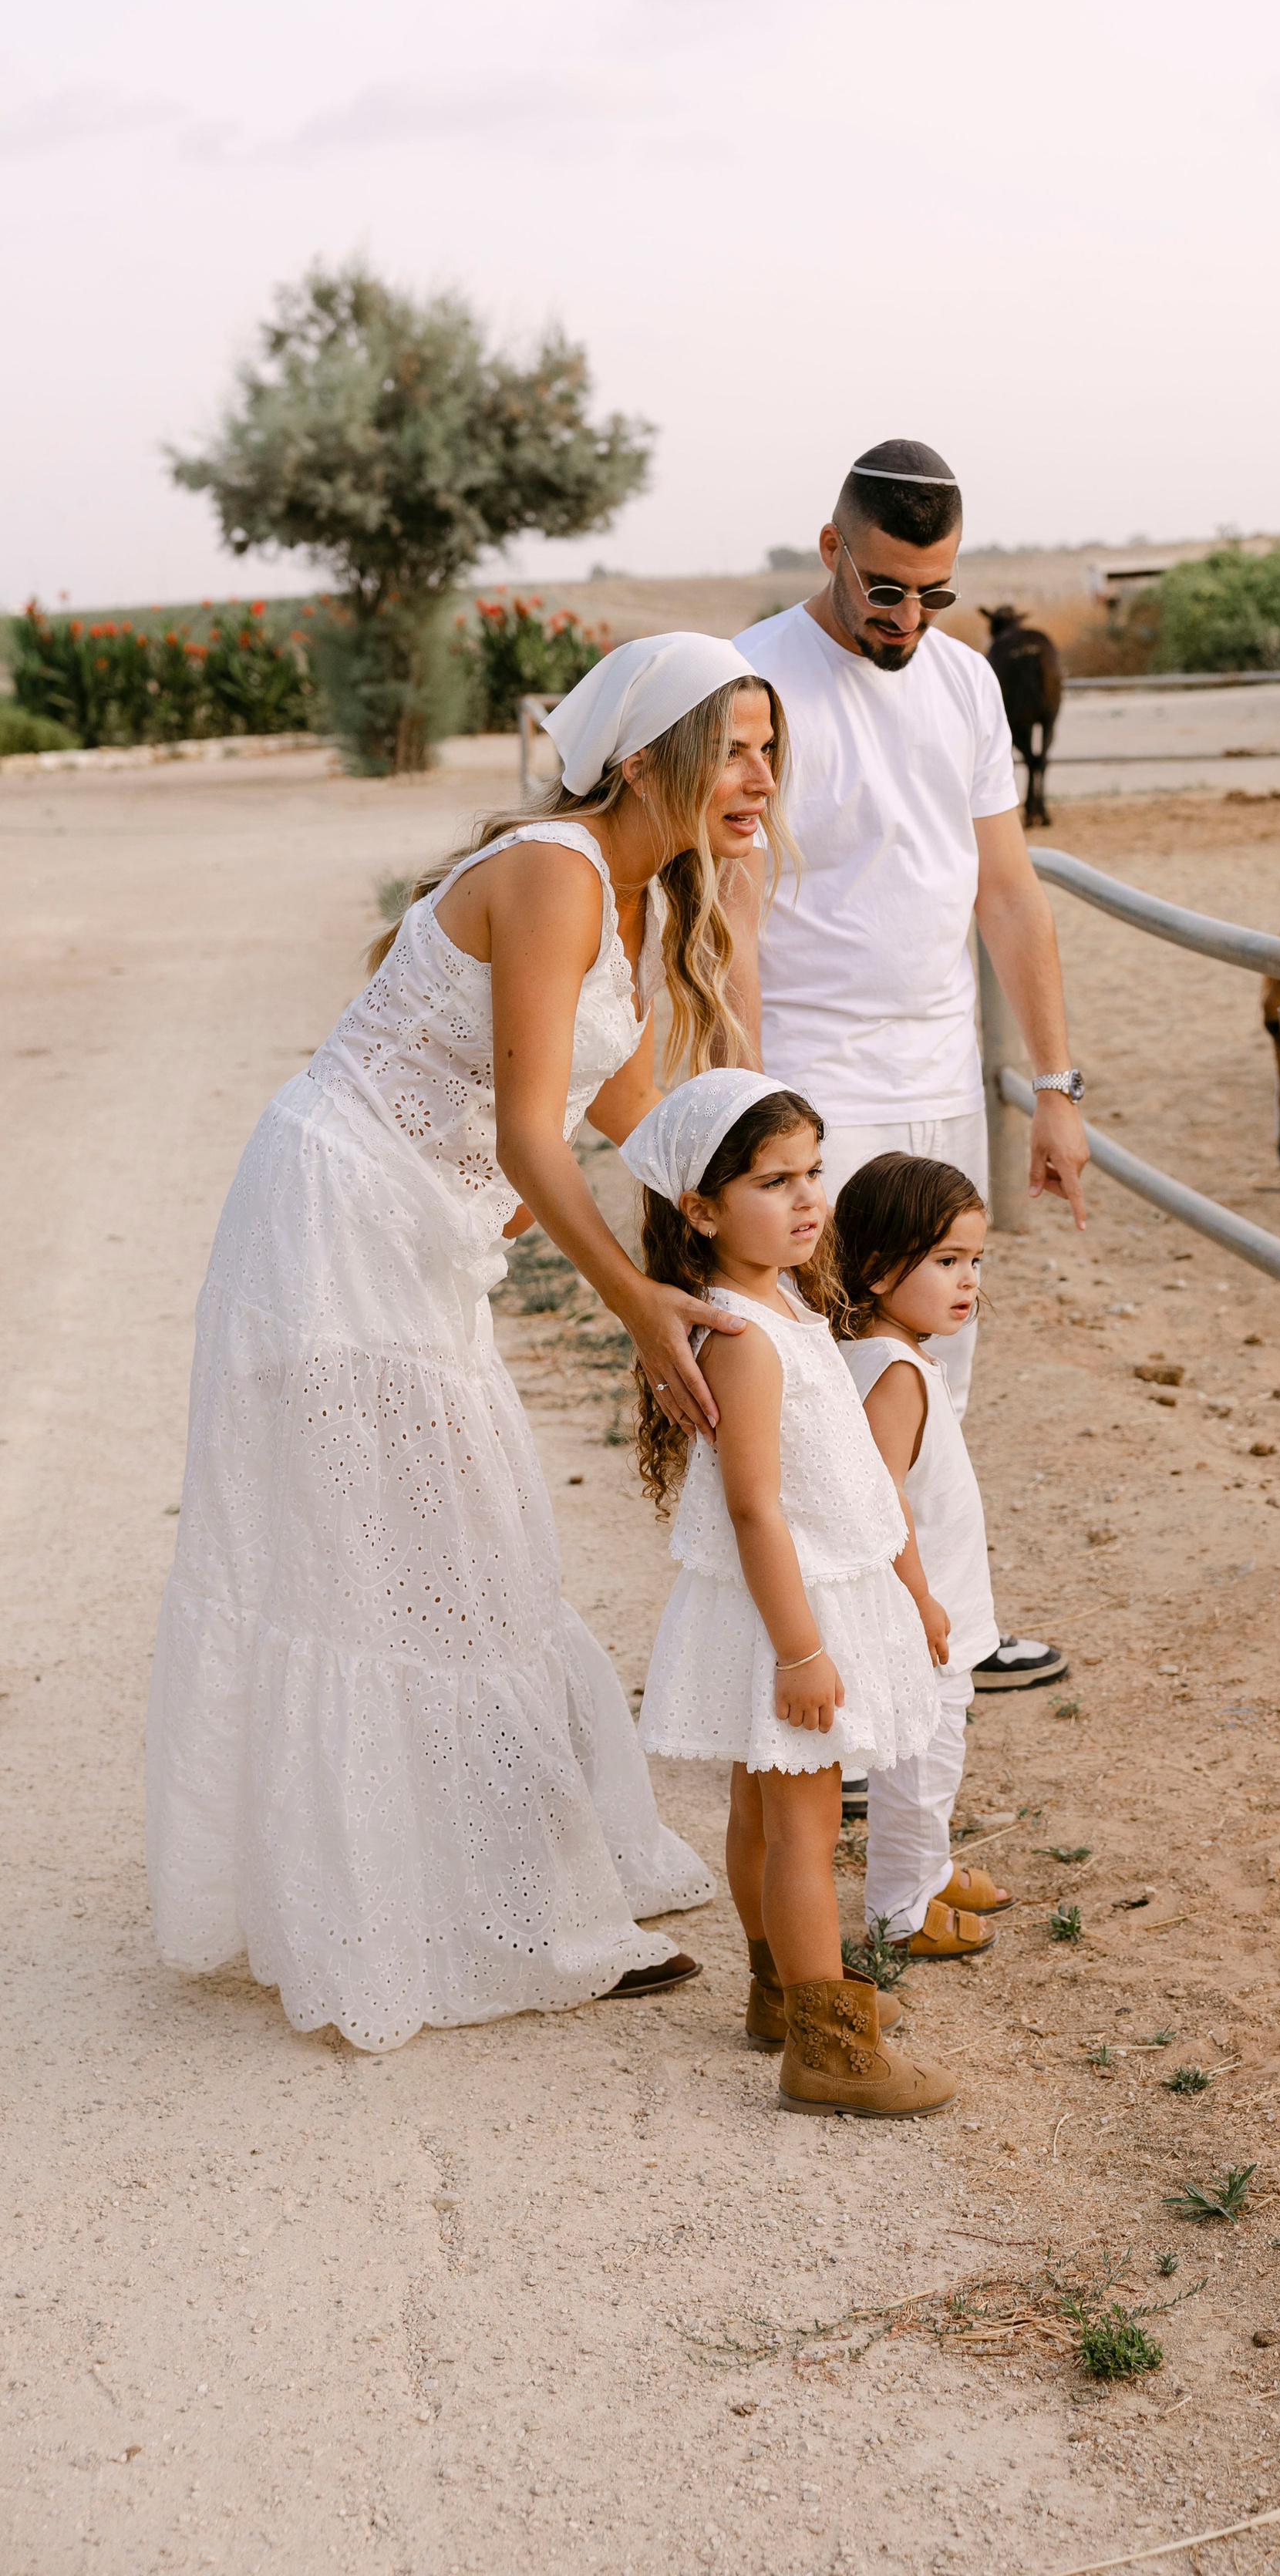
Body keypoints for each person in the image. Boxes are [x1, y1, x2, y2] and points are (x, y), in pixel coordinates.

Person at [145, 634, 784, 2053]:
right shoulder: (558, 873)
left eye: (767, 750)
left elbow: (654, 1131)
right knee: (408, 1560)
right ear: (644, 756)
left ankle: (516, 1889)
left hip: (413, 1248)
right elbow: (521, 1132)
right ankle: (477, 1920)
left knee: (465, 1552)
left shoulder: (621, 901)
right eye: (734, 745)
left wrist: (792, 1214)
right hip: (340, 1226)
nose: (760, 776)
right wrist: (640, 1305)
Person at [739, 436, 1086, 1714]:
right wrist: (751, 1118)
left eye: (933, 593)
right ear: (832, 549)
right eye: (885, 587)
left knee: (940, 1367)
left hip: (942, 1072)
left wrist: (1055, 1087)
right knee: (828, 1393)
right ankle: (833, 1676)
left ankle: (953, 1633)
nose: (906, 617)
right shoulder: (754, 680)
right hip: (814, 1085)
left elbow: (1009, 893)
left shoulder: (967, 685)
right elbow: (725, 914)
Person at [626, 1073, 958, 2120]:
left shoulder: (788, 1303)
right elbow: (758, 1510)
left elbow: (857, 1473)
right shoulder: (745, 1336)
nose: (809, 1198)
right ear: (703, 1210)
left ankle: (781, 1988)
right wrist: (804, 1651)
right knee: (804, 1827)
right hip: (789, 1609)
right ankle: (827, 2044)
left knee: (766, 1810)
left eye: (813, 1172)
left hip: (802, 1596)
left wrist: (911, 1584)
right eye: (775, 1181)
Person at [832, 1154, 1013, 1961]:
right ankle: (902, 1907)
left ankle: (928, 1871)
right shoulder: (895, 1370)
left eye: (975, 1261)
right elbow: (883, 1497)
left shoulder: (888, 1351)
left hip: (933, 1596)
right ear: (875, 1269)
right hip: (920, 1607)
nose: (967, 1281)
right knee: (923, 1754)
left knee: (938, 1746)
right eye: (945, 1261)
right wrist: (920, 1598)